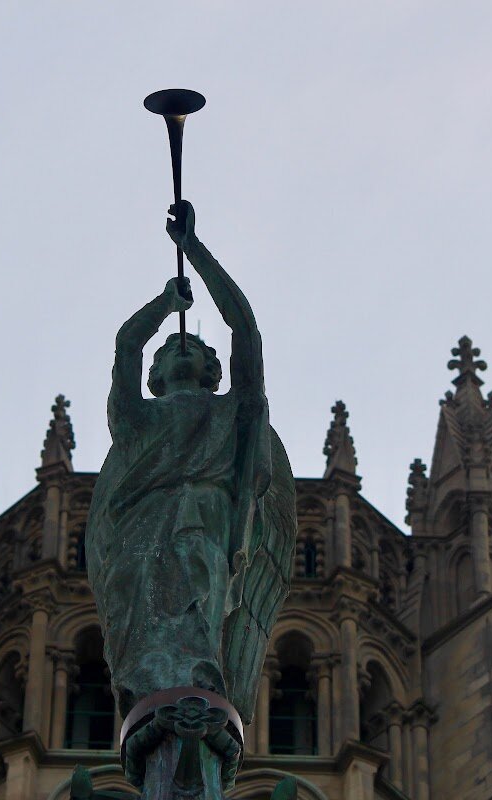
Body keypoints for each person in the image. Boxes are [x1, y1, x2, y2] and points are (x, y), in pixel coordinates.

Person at [86, 200, 282, 720]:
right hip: (138, 533)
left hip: (202, 520)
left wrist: (194, 250)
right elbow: (126, 346)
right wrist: (164, 304)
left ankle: (193, 707)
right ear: (153, 376)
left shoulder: (232, 412)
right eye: (168, 349)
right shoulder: (134, 421)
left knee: (195, 625)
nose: (179, 347)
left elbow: (246, 331)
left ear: (213, 371)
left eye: (192, 346)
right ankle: (149, 713)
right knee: (140, 637)